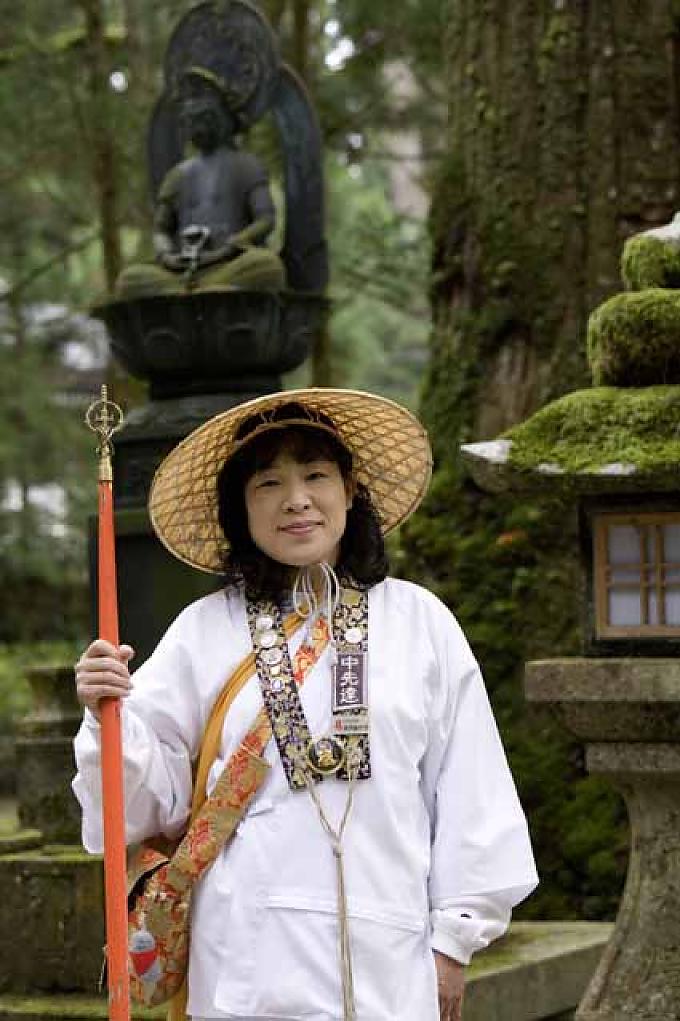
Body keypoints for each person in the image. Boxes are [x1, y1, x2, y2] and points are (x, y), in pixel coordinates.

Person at [73, 388, 538, 1021]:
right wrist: (108, 715)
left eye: (315, 475)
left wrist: (455, 938)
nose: (296, 499)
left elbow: (470, 789)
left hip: (390, 959)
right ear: (242, 509)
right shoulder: (203, 631)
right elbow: (141, 801)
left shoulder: (420, 622)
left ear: (350, 490)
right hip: (244, 962)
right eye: (268, 483)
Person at [116, 66, 285, 299]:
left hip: (230, 264)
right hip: (183, 269)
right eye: (190, 121)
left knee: (267, 266)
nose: (196, 126)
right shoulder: (178, 175)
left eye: (204, 118)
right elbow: (161, 229)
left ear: (223, 118)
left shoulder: (246, 165)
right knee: (130, 279)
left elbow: (266, 219)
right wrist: (166, 255)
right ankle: (187, 292)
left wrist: (237, 242)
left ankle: (193, 294)